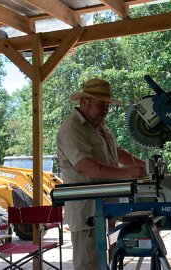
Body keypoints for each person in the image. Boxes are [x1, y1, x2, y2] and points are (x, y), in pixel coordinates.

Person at [56, 78, 146, 269]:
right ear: (84, 102)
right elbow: (85, 166)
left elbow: (117, 151)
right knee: (90, 265)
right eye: (101, 105)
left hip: (106, 209)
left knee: (108, 263)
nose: (105, 110)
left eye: (107, 106)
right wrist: (126, 173)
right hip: (88, 213)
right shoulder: (72, 128)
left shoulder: (100, 126)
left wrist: (145, 166)